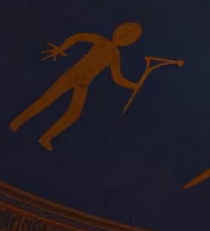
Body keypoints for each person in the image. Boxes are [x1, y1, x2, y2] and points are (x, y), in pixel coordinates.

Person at [10, 22, 142, 151]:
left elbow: (117, 78)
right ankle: (17, 123)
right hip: (72, 75)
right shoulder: (101, 41)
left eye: (127, 37)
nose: (122, 37)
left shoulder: (115, 55)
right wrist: (62, 47)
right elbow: (79, 37)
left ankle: (45, 138)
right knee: (45, 101)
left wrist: (133, 85)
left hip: (83, 83)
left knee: (73, 114)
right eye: (123, 34)